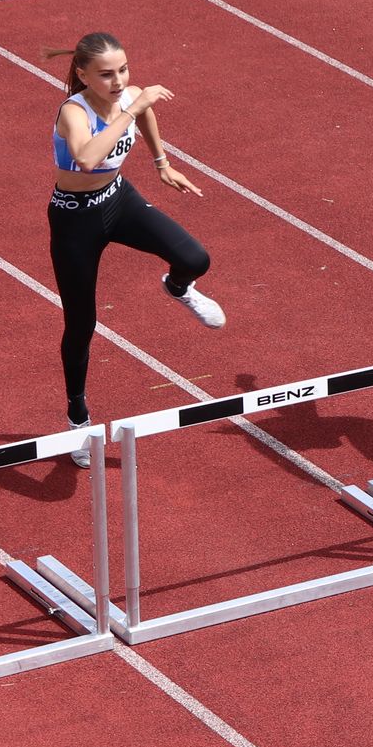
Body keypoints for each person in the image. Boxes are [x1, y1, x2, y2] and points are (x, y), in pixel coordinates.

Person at [45, 31, 221, 458]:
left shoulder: (131, 97)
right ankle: (77, 417)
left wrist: (162, 162)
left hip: (117, 200)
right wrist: (134, 108)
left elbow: (144, 117)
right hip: (74, 219)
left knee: (195, 258)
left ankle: (177, 287)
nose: (119, 81)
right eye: (106, 75)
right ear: (83, 75)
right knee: (82, 323)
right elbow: (87, 157)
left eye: (123, 70)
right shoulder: (74, 111)